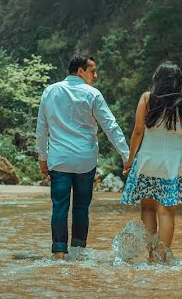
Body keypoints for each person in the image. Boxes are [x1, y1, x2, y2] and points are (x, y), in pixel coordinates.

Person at [35, 55, 131, 259]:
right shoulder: (93, 94)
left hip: (59, 159)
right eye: (92, 71)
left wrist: (42, 157)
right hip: (85, 161)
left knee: (59, 206)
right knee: (81, 206)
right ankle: (78, 252)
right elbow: (110, 126)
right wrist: (126, 154)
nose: (95, 75)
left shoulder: (50, 91)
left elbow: (42, 127)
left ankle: (59, 252)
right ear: (80, 71)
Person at [121, 62, 182, 262]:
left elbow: (138, 131)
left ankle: (150, 257)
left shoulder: (147, 98)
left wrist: (130, 160)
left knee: (148, 207)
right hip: (174, 160)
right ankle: (162, 257)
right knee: (167, 210)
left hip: (149, 158)